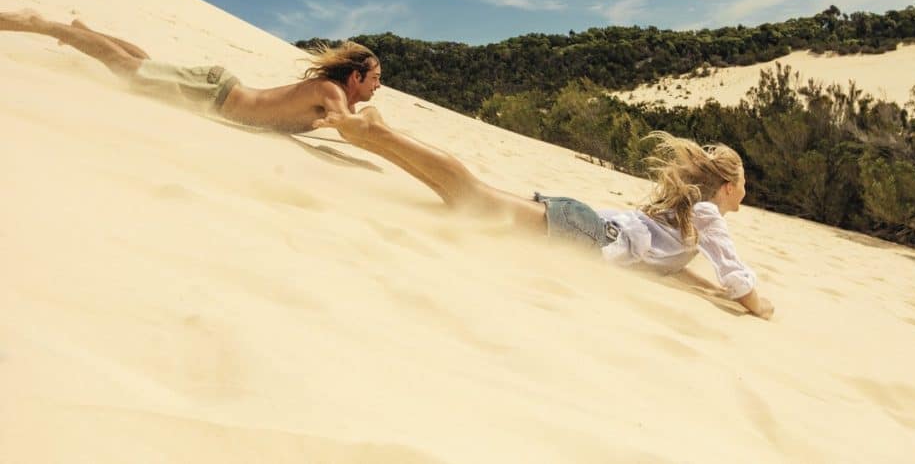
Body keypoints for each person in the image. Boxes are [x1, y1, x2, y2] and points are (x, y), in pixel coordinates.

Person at [313, 107, 775, 320]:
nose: (745, 196)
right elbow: (740, 281)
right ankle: (378, 134)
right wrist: (760, 306)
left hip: (583, 225)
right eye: (745, 187)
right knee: (470, 194)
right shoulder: (709, 217)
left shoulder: (690, 219)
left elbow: (674, 267)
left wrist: (712, 292)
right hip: (584, 233)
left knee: (462, 200)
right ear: (729, 187)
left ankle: (379, 138)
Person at [0, 9, 381, 133]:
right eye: (376, 80)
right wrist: (365, 121)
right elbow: (346, 125)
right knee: (125, 70)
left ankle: (83, 33)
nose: (378, 87)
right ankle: (42, 25)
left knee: (142, 64)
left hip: (217, 89)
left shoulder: (331, 91)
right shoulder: (332, 92)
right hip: (214, 94)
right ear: (355, 78)